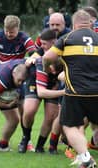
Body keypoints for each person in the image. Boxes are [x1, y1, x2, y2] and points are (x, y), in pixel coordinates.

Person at [42, 9, 98, 168]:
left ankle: (86, 158)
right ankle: (84, 158)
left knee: (70, 126)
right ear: (90, 24)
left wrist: (48, 68)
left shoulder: (67, 38)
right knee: (89, 126)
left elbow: (47, 57)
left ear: (73, 25)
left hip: (75, 92)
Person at [0, 14, 36, 151]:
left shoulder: (24, 38)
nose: (8, 34)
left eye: (12, 31)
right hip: (1, 76)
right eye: (6, 30)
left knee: (24, 111)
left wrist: (29, 60)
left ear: (18, 28)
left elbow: (35, 53)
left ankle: (26, 140)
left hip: (18, 77)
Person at [18, 29, 64, 153]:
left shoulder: (62, 51)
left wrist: (58, 84)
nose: (40, 46)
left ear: (53, 42)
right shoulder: (40, 56)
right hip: (35, 80)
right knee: (29, 110)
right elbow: (41, 92)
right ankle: (25, 137)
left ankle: (40, 146)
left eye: (44, 43)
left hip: (53, 83)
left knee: (50, 116)